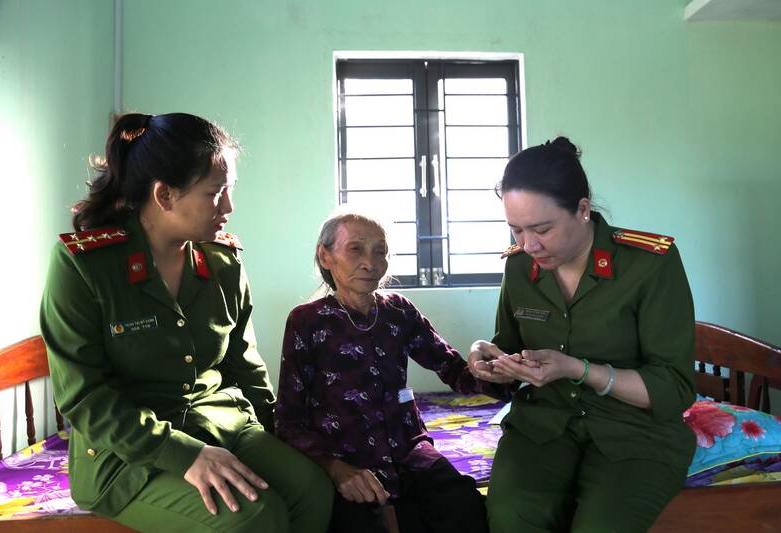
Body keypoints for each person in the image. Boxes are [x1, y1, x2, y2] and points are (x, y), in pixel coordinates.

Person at [40, 113, 332, 532]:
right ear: (165, 195)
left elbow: (244, 366)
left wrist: (279, 436)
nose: (229, 207)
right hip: (127, 455)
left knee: (311, 488)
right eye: (216, 193)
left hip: (222, 424)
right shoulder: (85, 267)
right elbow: (87, 399)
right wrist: (184, 455)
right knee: (252, 517)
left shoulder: (221, 263)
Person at [468, 137, 697, 532]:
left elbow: (673, 387)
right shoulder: (520, 269)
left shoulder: (649, 265)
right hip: (543, 427)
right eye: (516, 230)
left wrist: (577, 369)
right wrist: (487, 358)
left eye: (542, 229)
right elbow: (508, 344)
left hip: (634, 434)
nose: (529, 244)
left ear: (583, 209)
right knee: (511, 517)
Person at [275, 212, 492, 533]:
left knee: (462, 502)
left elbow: (453, 369)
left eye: (380, 251)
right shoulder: (307, 321)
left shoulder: (398, 311)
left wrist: (491, 364)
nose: (370, 262)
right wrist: (334, 469)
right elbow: (288, 420)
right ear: (325, 255)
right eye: (356, 249)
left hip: (409, 447)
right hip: (345, 456)